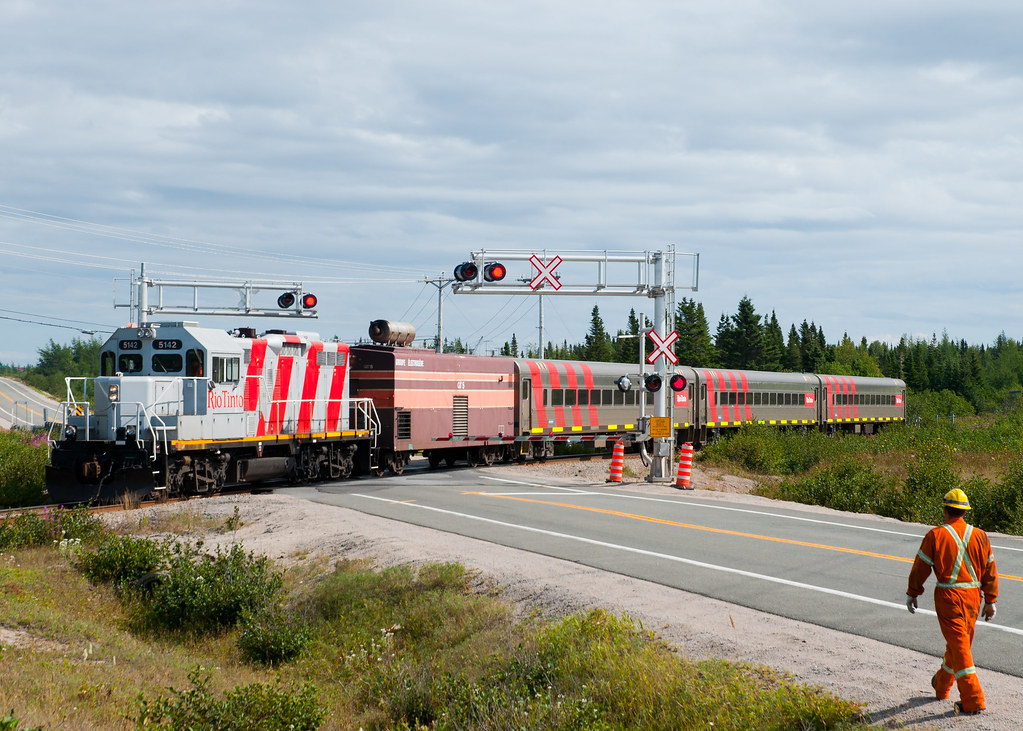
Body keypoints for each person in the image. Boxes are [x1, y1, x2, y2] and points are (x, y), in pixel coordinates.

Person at [906, 488, 998, 715]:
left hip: (949, 598)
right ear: (965, 511)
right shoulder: (980, 535)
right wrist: (990, 600)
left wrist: (913, 592)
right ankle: (941, 685)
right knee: (959, 646)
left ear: (945, 510)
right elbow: (990, 571)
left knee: (960, 649)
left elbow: (920, 568)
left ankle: (973, 700)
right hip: (973, 598)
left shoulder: (935, 535)